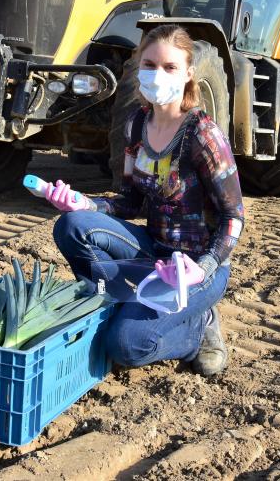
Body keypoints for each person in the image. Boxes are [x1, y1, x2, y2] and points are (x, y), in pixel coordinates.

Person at [39, 24, 244, 376]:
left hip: (195, 270)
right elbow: (130, 202)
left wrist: (205, 266)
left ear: (188, 74)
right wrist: (85, 204)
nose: (157, 74)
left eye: (169, 67)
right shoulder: (136, 124)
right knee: (72, 226)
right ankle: (109, 294)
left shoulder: (203, 134)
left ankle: (198, 328)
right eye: (149, 65)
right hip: (154, 251)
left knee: (127, 345)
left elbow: (233, 216)